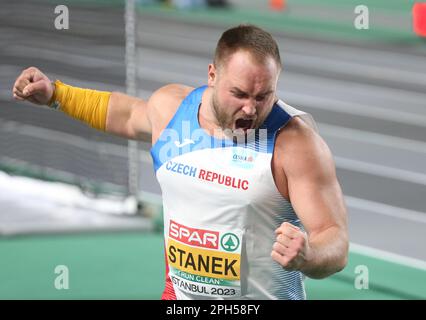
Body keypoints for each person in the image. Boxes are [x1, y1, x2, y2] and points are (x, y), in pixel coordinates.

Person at [12, 24, 348, 300]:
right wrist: (56, 95)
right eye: (240, 94)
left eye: (264, 96)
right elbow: (127, 114)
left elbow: (334, 238)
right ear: (213, 75)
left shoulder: (294, 144)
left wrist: (309, 256)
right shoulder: (173, 111)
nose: (251, 108)